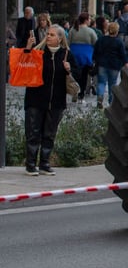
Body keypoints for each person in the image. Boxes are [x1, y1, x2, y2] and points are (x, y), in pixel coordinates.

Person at [23, 24, 78, 175]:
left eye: (52, 35)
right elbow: (24, 66)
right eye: (48, 34)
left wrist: (69, 69)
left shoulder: (66, 54)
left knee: (49, 133)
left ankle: (44, 163)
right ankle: (30, 164)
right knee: (33, 133)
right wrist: (28, 48)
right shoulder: (38, 52)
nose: (48, 37)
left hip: (56, 101)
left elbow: (78, 74)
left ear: (60, 38)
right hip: (35, 99)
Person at [92, 21, 128, 107]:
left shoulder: (101, 39)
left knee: (101, 82)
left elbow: (96, 51)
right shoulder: (119, 42)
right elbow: (123, 54)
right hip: (114, 66)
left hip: (102, 64)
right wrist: (126, 63)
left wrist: (94, 60)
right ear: (117, 31)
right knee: (112, 84)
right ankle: (111, 101)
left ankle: (100, 97)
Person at [68, 12, 98, 103]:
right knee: (84, 76)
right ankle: (81, 95)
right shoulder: (90, 31)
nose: (90, 21)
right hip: (86, 55)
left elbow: (68, 42)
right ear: (86, 20)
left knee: (75, 75)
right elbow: (95, 43)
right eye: (89, 19)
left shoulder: (73, 30)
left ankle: (75, 92)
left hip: (74, 54)